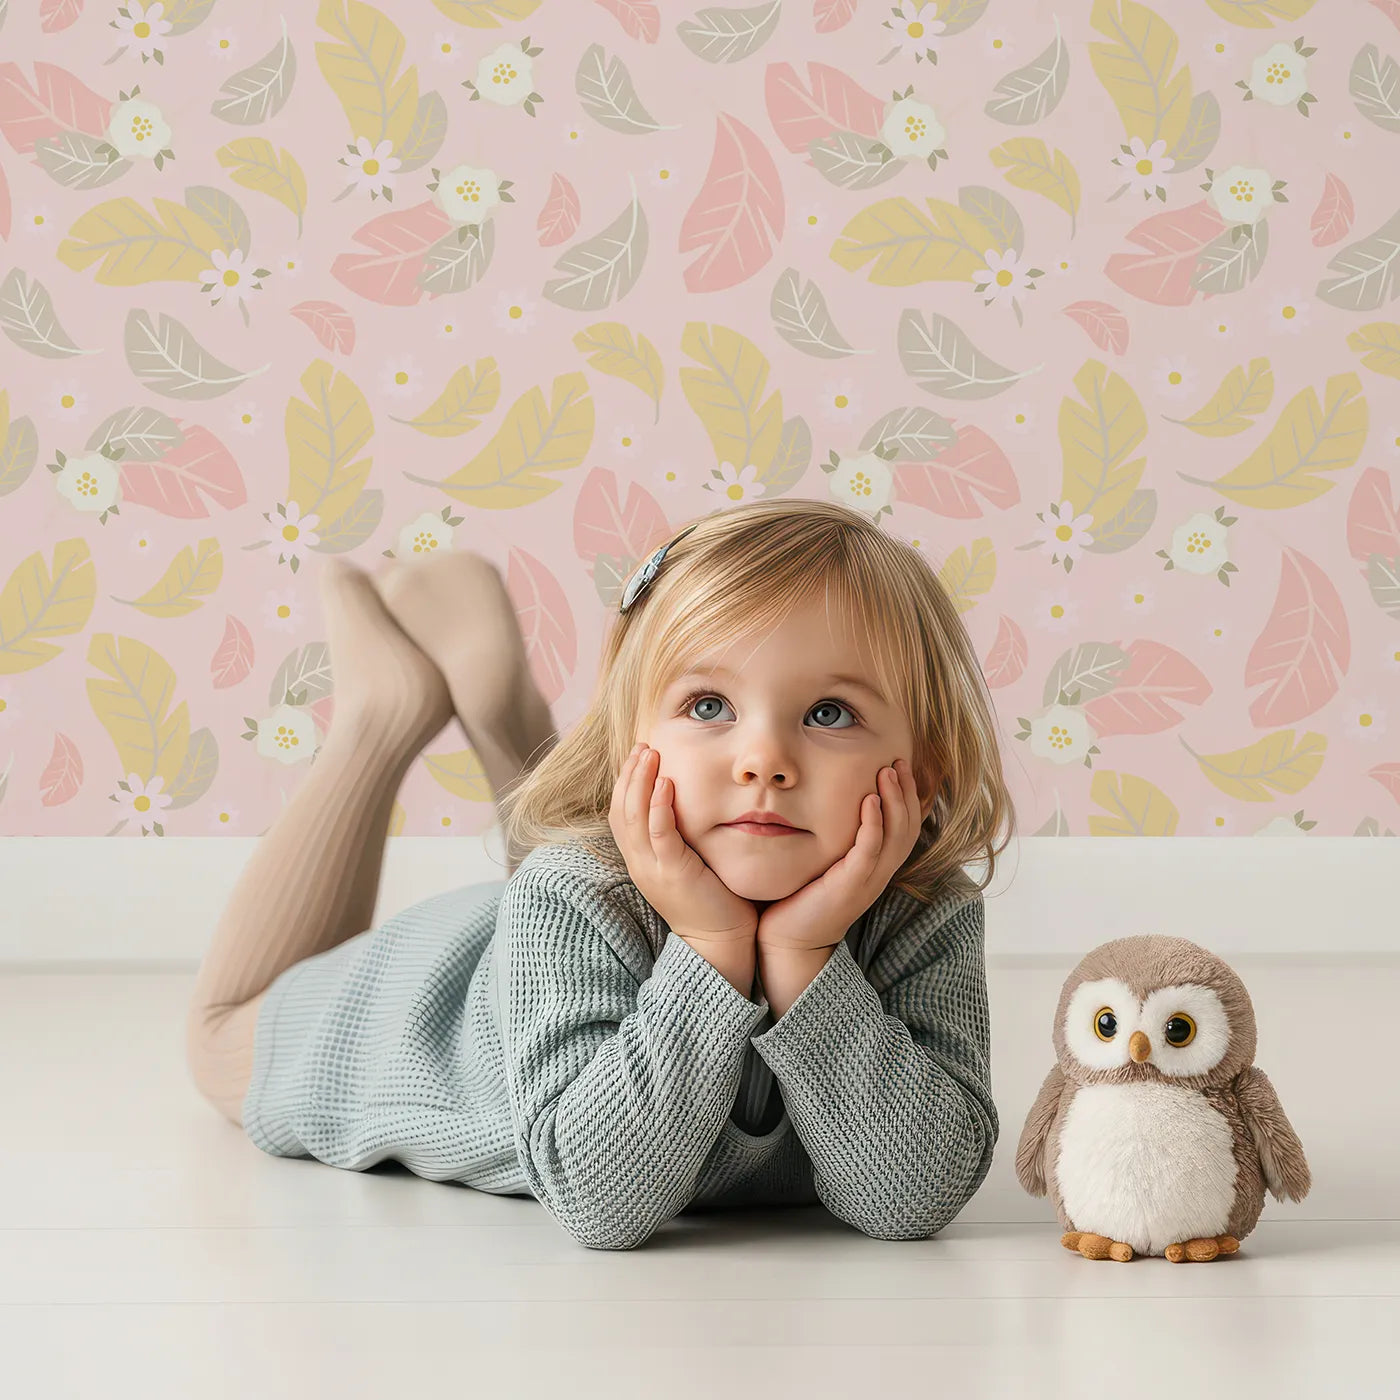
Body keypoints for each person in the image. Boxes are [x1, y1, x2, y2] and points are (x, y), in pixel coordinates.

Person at [185, 498, 1016, 1250]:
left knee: (600, 846)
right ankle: (379, 713)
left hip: (583, 924)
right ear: (629, 739)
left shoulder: (922, 906)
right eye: (709, 706)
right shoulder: (569, 893)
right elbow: (599, 1200)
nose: (764, 760)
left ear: (926, 768)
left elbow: (915, 1195)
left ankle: (496, 699)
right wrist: (712, 945)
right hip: (422, 1012)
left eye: (829, 713)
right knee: (218, 1034)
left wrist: (805, 956)